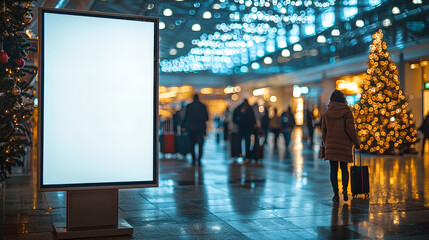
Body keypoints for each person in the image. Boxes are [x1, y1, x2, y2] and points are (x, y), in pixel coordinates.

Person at [322, 90, 361, 202]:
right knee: (344, 168)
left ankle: (335, 194)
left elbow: (324, 131)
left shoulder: (326, 113)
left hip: (331, 146)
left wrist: (326, 144)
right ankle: (344, 190)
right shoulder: (347, 112)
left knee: (333, 170)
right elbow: (351, 130)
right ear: (343, 99)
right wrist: (357, 143)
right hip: (344, 146)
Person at [183, 94, 209, 166]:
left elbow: (185, 117)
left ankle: (193, 160)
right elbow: (207, 118)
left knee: (192, 144)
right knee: (200, 144)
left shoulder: (189, 106)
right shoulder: (203, 106)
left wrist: (183, 126)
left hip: (191, 128)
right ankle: (199, 159)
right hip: (201, 128)